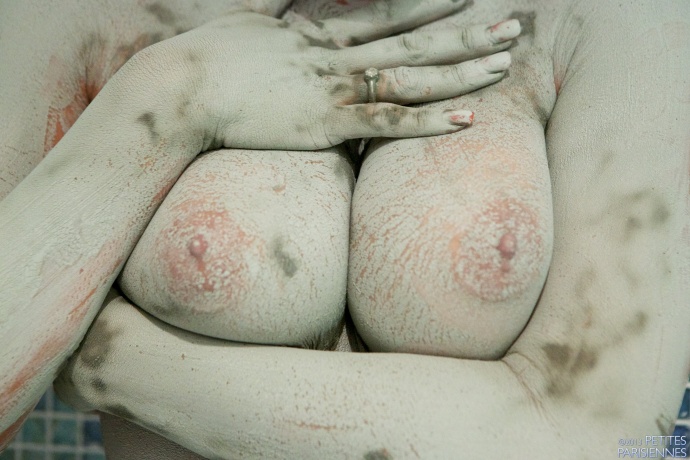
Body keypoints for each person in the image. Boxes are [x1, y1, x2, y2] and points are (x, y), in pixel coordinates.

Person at [2, 0, 689, 459]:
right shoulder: (86, 15)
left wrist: (113, 368)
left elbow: (604, 441)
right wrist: (177, 92)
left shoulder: (622, 20)